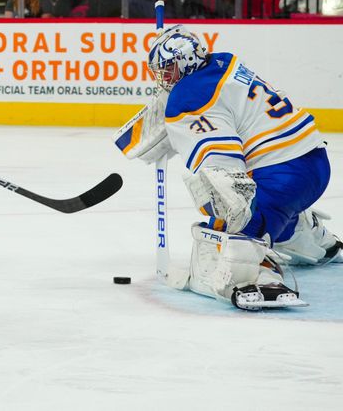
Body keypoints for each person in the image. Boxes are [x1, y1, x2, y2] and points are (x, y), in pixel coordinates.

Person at [138, 25, 342, 309]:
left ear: (185, 62)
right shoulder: (222, 62)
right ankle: (315, 241)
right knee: (272, 212)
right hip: (314, 162)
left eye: (168, 69)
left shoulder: (189, 95)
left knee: (229, 223)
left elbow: (222, 163)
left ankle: (260, 277)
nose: (163, 78)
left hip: (282, 176)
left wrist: (224, 217)